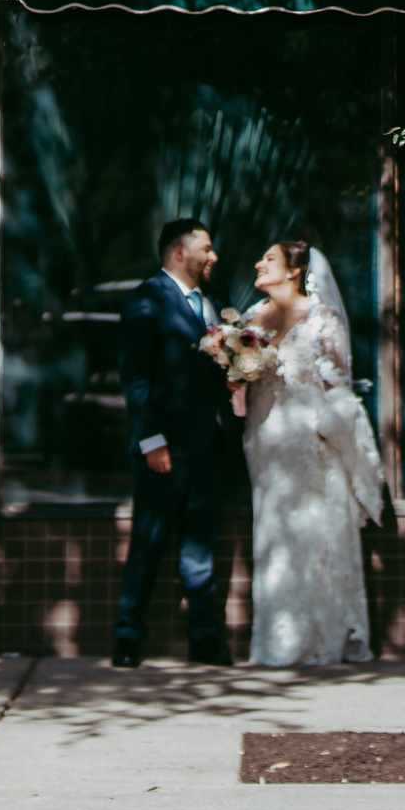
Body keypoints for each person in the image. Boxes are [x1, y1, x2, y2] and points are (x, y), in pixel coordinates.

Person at [236, 239, 386, 665]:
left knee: (316, 534)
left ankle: (321, 636)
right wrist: (234, 380)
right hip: (265, 440)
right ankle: (276, 640)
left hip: (311, 440)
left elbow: (339, 388)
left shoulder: (322, 319)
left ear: (294, 270)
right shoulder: (249, 319)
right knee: (273, 534)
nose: (257, 264)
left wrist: (331, 432)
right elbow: (241, 387)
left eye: (268, 259)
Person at [113, 217, 235, 668]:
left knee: (200, 550)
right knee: (148, 543)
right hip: (163, 449)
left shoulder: (212, 303)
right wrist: (151, 440)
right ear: (179, 252)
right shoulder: (146, 298)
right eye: (207, 247)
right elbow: (135, 375)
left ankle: (205, 642)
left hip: (209, 447)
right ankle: (127, 639)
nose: (214, 256)